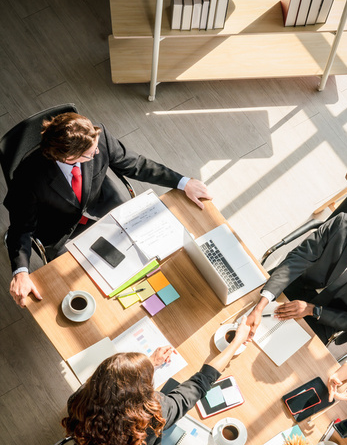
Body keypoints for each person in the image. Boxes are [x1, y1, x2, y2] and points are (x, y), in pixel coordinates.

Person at [5, 112, 212, 307]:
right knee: (90, 283)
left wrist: (183, 182)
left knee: (140, 256)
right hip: (60, 231)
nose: (97, 152)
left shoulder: (98, 138)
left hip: (102, 206)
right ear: (68, 158)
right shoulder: (28, 177)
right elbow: (21, 229)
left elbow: (136, 164)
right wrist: (21, 272)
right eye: (89, 154)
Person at [59, 318, 250, 445]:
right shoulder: (152, 414)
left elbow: (114, 385)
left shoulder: (81, 399)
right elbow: (201, 382)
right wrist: (237, 343)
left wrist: (144, 365)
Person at [246, 213, 347, 345]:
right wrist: (262, 303)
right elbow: (298, 259)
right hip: (296, 283)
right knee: (246, 317)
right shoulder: (342, 224)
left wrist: (313, 310)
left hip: (326, 317)